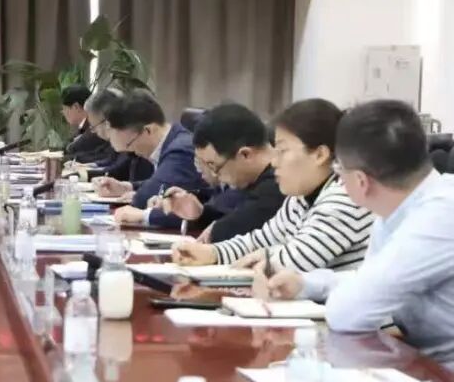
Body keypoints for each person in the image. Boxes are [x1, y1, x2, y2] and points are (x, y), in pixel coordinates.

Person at [255, 101, 454, 360]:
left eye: (339, 171)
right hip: (422, 362)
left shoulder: (440, 217)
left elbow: (347, 313)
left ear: (361, 181)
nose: (338, 180)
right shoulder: (398, 208)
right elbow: (370, 279)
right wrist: (305, 284)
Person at [173, 99, 373, 272]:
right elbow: (261, 240)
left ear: (319, 155)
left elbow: (295, 262)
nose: (274, 162)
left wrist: (264, 256)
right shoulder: (300, 198)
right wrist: (211, 253)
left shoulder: (345, 198)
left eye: (283, 151)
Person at [150, 103, 284, 243]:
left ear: (245, 154)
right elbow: (233, 217)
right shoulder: (253, 181)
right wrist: (200, 213)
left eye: (214, 166)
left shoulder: (279, 183)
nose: (215, 176)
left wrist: (215, 230)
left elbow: (237, 227)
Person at [94, 91, 206, 228]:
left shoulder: (180, 151)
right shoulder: (172, 141)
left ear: (148, 130)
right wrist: (125, 187)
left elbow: (145, 197)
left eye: (130, 147)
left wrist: (141, 207)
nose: (134, 155)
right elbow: (158, 184)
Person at [80, 88, 153, 182]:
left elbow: (118, 171)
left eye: (94, 126)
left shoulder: (134, 139)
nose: (94, 131)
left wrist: (80, 174)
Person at [62, 85, 116, 167]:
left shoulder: (97, 128)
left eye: (64, 108)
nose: (63, 113)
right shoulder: (85, 127)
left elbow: (72, 149)